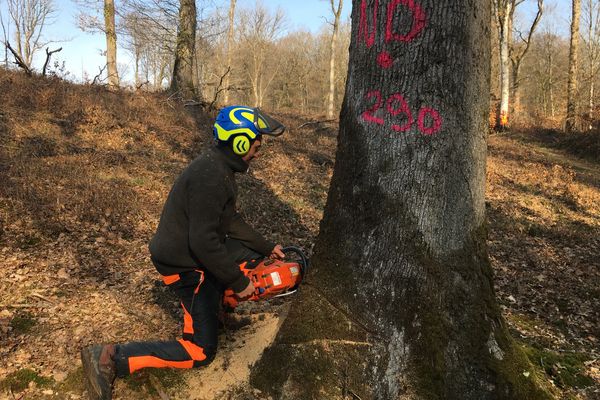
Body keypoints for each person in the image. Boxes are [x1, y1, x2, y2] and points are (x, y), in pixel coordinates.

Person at [80, 106, 286, 400]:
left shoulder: (218, 168)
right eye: (257, 142)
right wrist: (239, 284)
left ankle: (217, 311)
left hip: (191, 250)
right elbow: (203, 242)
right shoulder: (211, 176)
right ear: (240, 140)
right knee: (201, 351)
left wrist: (266, 247)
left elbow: (230, 222)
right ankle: (112, 356)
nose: (259, 150)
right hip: (185, 263)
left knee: (250, 257)